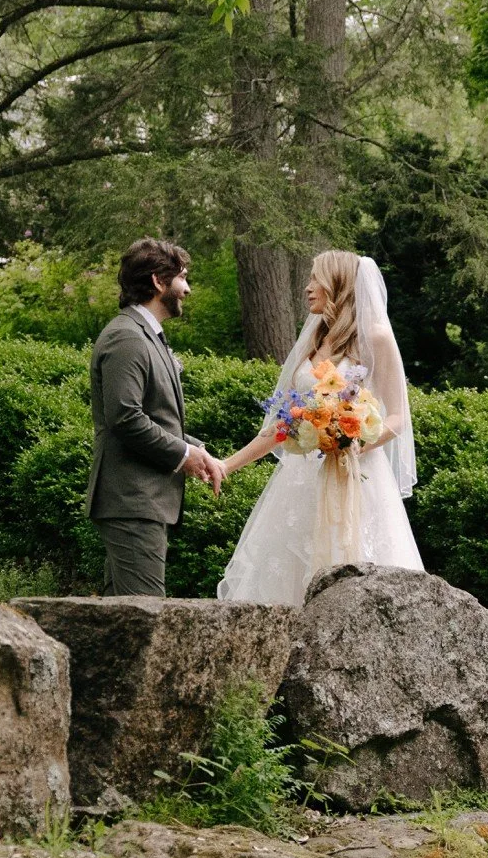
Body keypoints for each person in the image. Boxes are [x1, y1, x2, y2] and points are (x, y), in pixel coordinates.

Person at [215, 252, 422, 606]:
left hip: (354, 479)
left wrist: (354, 440)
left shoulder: (375, 337)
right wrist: (225, 465)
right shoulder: (313, 340)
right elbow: (284, 424)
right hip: (301, 482)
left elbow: (398, 417)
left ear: (337, 285)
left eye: (315, 279)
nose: (308, 288)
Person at [86, 237, 226, 597]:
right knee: (147, 617)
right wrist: (183, 455)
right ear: (157, 281)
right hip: (133, 500)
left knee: (121, 623)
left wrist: (196, 449)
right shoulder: (127, 337)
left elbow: (157, 416)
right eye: (182, 278)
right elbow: (126, 417)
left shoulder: (147, 335)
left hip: (143, 501)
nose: (187, 289)